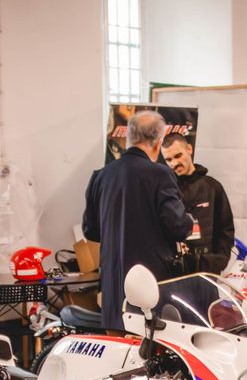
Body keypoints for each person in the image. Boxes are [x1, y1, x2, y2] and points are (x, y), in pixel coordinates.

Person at [83, 110, 193, 332]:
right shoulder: (160, 175)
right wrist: (189, 220)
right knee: (148, 347)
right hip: (149, 289)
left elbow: (90, 230)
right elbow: (178, 227)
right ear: (158, 142)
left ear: (129, 137)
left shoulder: (101, 176)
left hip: (113, 288)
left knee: (117, 348)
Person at [161, 134, 236, 274]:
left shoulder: (213, 187)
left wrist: (218, 261)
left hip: (207, 271)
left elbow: (226, 230)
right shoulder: (165, 191)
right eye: (168, 160)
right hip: (173, 273)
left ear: (189, 149)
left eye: (178, 156)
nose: (174, 163)